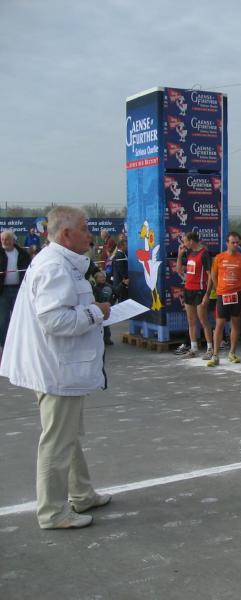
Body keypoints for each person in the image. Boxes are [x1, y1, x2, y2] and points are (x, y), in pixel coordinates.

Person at [0, 206, 112, 529]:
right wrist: (97, 312)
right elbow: (54, 319)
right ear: (66, 234)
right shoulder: (54, 267)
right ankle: (52, 512)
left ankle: (81, 493)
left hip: (58, 365)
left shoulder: (61, 262)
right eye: (85, 228)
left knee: (68, 435)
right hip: (56, 368)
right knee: (58, 441)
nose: (90, 235)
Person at [205, 232, 241, 366]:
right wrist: (218, 288)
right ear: (227, 243)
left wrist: (239, 286)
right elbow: (213, 275)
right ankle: (215, 355)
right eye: (232, 242)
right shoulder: (219, 258)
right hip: (222, 295)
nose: (235, 245)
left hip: (237, 295)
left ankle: (232, 353)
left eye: (237, 242)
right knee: (219, 324)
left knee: (235, 323)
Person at [174, 232, 213, 360]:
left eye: (185, 241)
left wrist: (207, 294)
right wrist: (180, 255)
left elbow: (211, 276)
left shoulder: (204, 254)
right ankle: (193, 348)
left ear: (191, 241)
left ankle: (210, 349)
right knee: (191, 321)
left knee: (203, 320)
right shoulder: (189, 253)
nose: (183, 243)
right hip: (188, 290)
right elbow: (179, 270)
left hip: (199, 291)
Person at [1, 229, 32, 350]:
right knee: (3, 320)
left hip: (19, 291)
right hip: (2, 292)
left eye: (7, 239)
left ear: (13, 240)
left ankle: (20, 344)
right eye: (2, 239)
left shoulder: (23, 254)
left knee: (20, 318)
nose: (4, 241)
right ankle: (4, 346)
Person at [92, 271, 114, 346]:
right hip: (96, 309)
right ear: (96, 279)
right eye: (101, 277)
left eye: (104, 277)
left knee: (106, 324)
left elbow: (116, 292)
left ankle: (107, 338)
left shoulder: (109, 286)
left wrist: (123, 284)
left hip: (105, 309)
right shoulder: (93, 288)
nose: (103, 278)